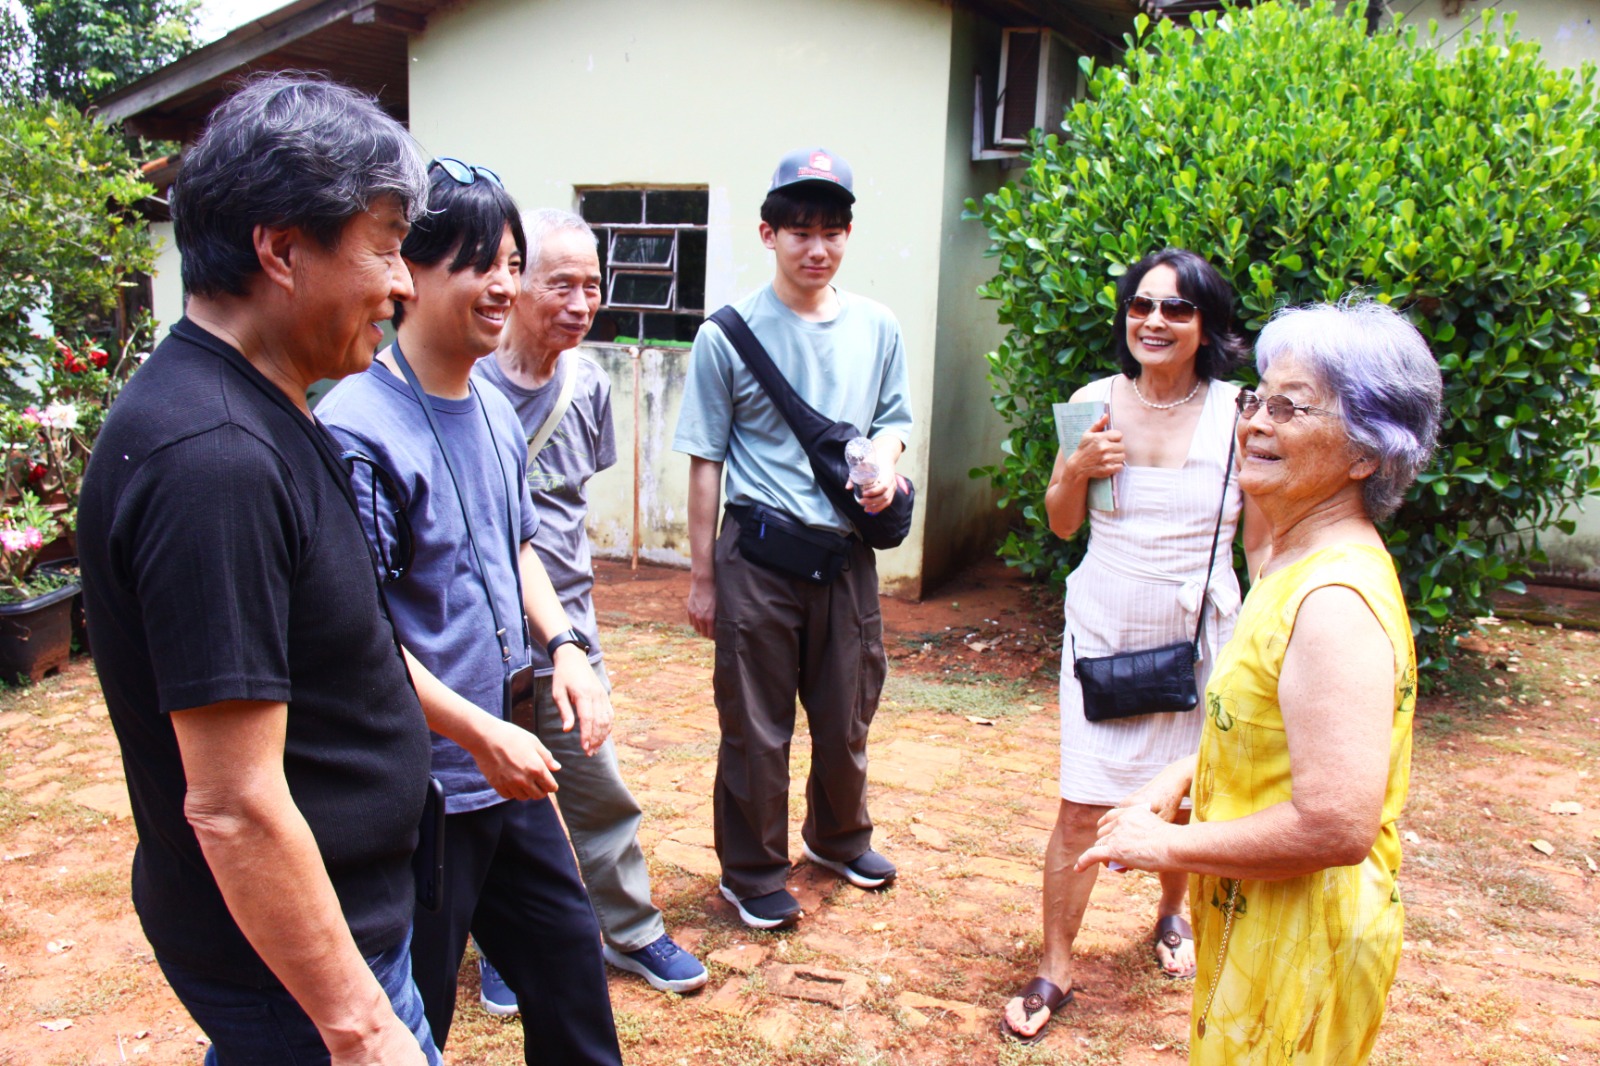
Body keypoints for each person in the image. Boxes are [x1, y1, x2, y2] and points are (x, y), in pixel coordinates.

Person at [75, 75, 440, 1064]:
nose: (404, 283)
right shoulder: (214, 459)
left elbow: (327, 646)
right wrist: (360, 1028)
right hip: (300, 971)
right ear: (280, 249)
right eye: (384, 242)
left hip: (327, 930)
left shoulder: (262, 406)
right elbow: (233, 802)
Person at [1077, 298, 1441, 1065]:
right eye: (1255, 399)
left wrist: (1166, 849)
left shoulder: (1334, 601)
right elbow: (1270, 725)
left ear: (1366, 453)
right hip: (1260, 920)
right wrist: (1185, 772)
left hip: (1304, 940)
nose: (1256, 422)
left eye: (1292, 407)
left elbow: (1337, 825)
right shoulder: (1289, 559)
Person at [317, 163, 623, 1065]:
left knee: (571, 973)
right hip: (425, 792)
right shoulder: (357, 430)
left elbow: (518, 543)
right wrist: (477, 735)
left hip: (507, 770)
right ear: (410, 273)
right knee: (418, 1021)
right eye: (477, 262)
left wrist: (563, 645)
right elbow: (363, 638)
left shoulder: (490, 405)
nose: (503, 284)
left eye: (511, 261)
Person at [1003, 248, 1264, 1043]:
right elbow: (1060, 523)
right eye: (1141, 306)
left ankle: (1171, 916)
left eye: (1177, 309)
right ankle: (1057, 965)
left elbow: (1262, 538)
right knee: (1081, 804)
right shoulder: (1094, 402)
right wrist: (1075, 468)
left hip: (1200, 632)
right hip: (1105, 628)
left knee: (1187, 798)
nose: (1154, 321)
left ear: (1207, 326)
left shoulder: (1241, 412)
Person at [673, 148, 913, 929]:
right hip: (758, 554)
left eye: (832, 229)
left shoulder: (879, 326)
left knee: (847, 713)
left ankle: (840, 839)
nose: (817, 247)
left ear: (848, 235)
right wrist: (703, 576)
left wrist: (884, 461)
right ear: (767, 233)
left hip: (843, 556)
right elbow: (706, 458)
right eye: (800, 229)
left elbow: (895, 421)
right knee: (756, 724)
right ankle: (750, 871)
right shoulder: (727, 336)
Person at [471, 208, 707, 999]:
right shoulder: (466, 385)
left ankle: (633, 932)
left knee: (594, 779)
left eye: (592, 286)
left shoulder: (590, 384)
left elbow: (570, 507)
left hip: (569, 625)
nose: (580, 302)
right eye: (560, 284)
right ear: (515, 285)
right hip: (476, 633)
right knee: (492, 791)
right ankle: (503, 945)